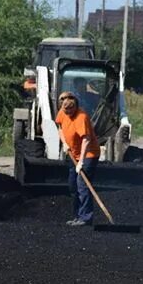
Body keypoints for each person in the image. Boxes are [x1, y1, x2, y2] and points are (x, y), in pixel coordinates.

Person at [55, 90, 100, 227]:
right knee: (72, 186)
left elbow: (86, 139)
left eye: (70, 110)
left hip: (88, 155)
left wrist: (81, 162)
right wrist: (64, 142)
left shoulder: (82, 117)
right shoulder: (63, 111)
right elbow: (60, 127)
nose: (67, 112)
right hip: (73, 154)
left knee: (82, 185)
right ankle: (77, 216)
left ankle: (86, 218)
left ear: (75, 106)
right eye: (65, 110)